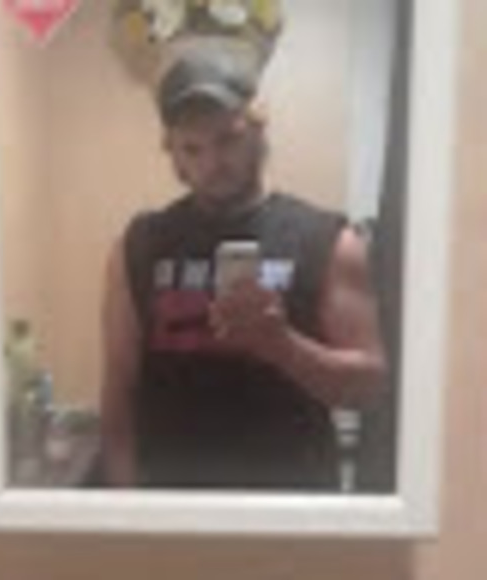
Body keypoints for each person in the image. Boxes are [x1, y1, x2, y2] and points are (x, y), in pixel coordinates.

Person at [99, 48, 387, 490]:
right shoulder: (138, 246)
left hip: (292, 509)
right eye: (192, 148)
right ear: (172, 152)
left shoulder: (327, 240)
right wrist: (125, 508)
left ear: (257, 128)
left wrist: (282, 345)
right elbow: (119, 390)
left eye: (227, 140)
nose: (213, 163)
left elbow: (370, 386)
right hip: (171, 508)